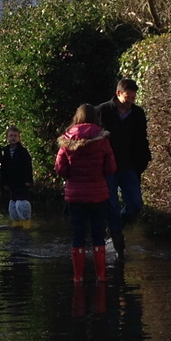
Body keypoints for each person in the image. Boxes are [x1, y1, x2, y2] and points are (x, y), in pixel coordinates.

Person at [55, 104, 117, 283]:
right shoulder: (103, 139)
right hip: (98, 194)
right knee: (98, 234)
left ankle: (78, 277)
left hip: (75, 195)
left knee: (78, 234)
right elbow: (111, 168)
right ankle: (101, 276)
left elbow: (60, 169)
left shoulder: (67, 140)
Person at [96, 78, 152, 260]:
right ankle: (117, 244)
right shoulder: (101, 111)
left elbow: (142, 140)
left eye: (134, 98)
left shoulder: (137, 113)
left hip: (129, 166)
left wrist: (142, 162)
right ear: (118, 93)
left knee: (135, 204)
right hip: (107, 167)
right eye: (128, 97)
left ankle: (115, 228)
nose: (131, 101)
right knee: (111, 206)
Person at [0, 126, 33, 226]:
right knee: (13, 205)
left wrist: (29, 180)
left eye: (15, 136)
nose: (13, 138)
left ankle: (26, 223)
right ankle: (17, 224)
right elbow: (3, 169)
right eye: (11, 136)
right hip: (11, 182)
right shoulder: (5, 151)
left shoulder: (23, 151)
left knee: (21, 204)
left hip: (22, 182)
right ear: (7, 138)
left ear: (19, 138)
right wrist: (4, 182)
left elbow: (28, 166)